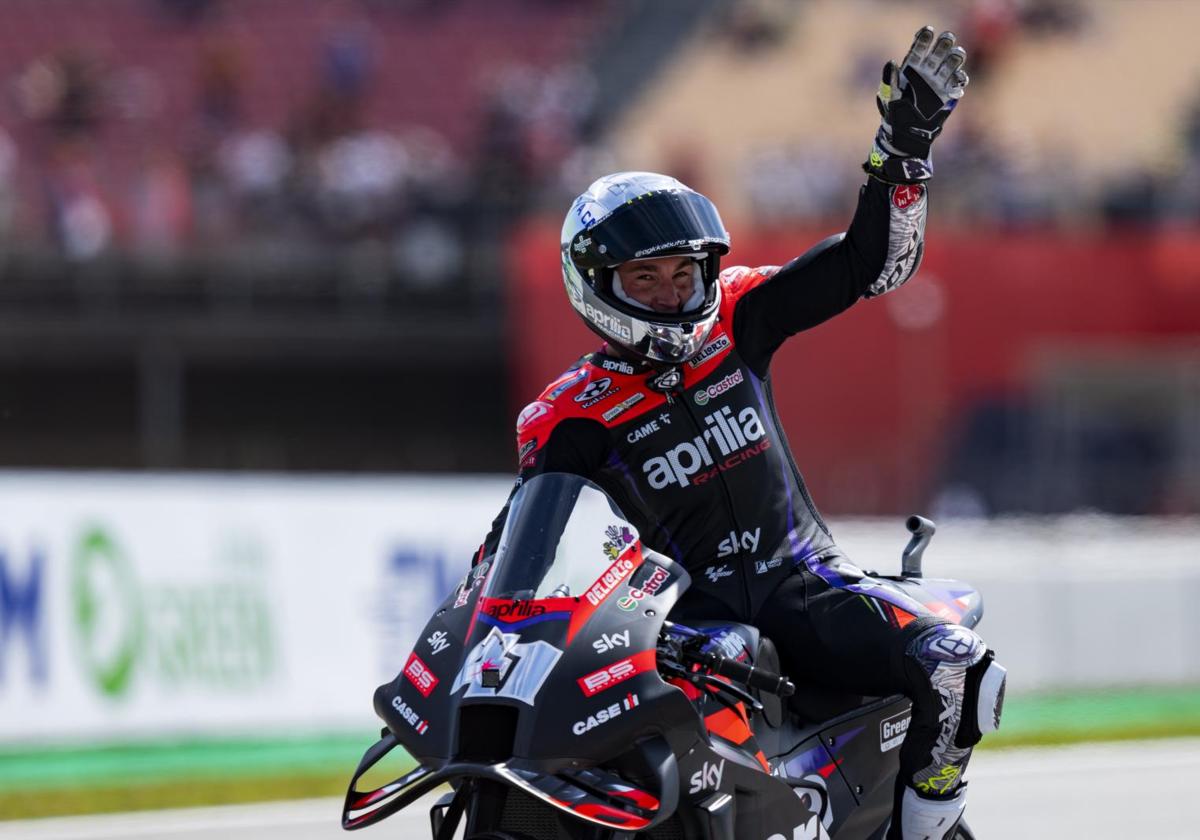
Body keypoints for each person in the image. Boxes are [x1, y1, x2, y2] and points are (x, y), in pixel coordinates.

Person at [473, 27, 1005, 839]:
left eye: (683, 271)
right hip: (682, 628)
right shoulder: (564, 414)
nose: (670, 289)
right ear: (596, 285)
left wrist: (903, 150)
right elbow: (530, 537)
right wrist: (485, 618)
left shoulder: (738, 315)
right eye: (644, 278)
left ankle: (928, 832)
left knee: (953, 662)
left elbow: (874, 265)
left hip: (805, 588)